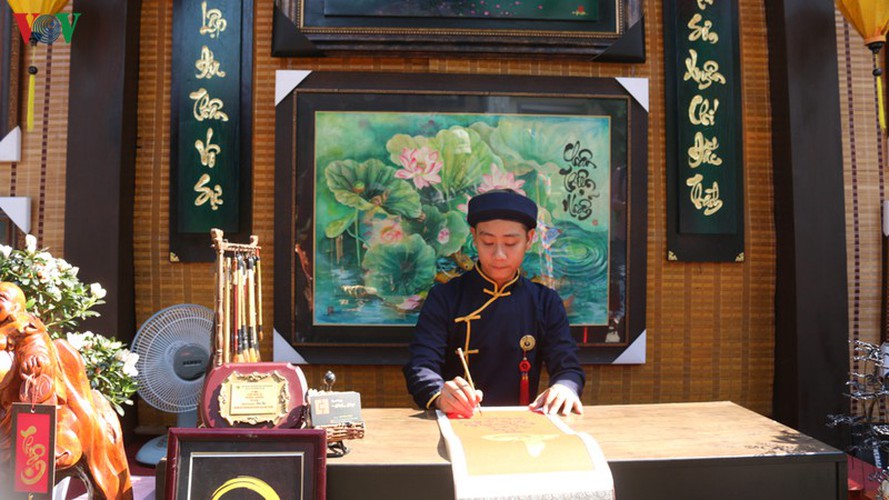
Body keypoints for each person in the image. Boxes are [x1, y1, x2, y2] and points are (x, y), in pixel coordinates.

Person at [403, 189, 585, 418]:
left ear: (529, 239)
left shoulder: (545, 302)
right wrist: (440, 394)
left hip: (522, 425)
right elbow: (421, 365)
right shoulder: (445, 297)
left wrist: (564, 388)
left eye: (510, 243)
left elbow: (568, 367)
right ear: (474, 237)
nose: (499, 255)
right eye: (488, 242)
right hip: (458, 421)